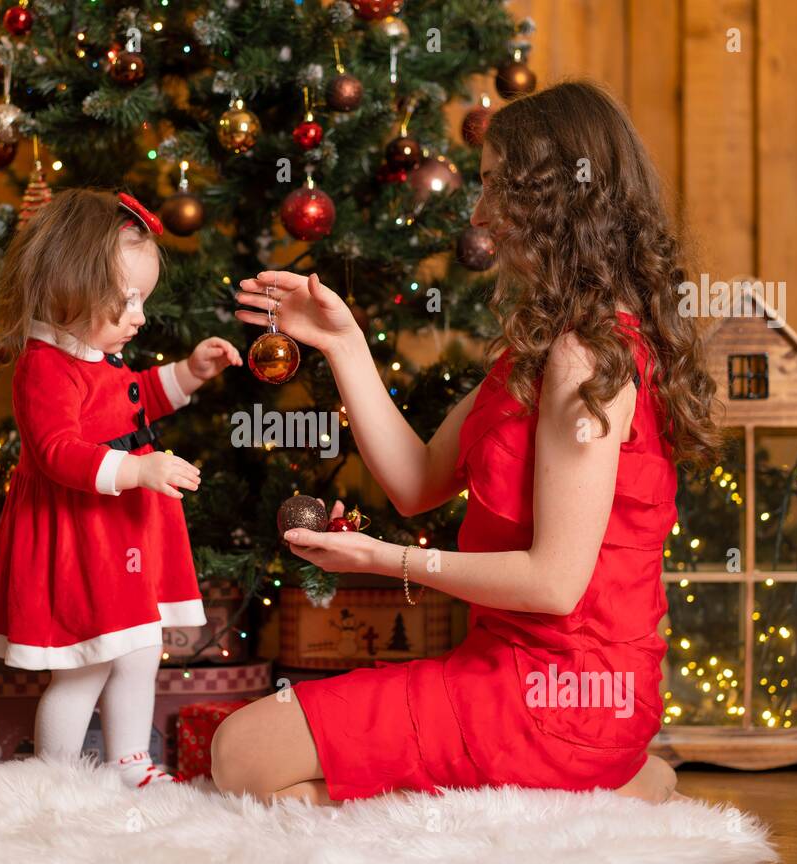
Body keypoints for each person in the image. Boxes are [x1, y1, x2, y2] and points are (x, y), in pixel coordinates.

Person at [213, 81, 721, 805]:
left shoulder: (587, 355)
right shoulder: (542, 351)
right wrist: (343, 343)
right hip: (530, 677)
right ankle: (614, 785)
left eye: (492, 187)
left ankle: (552, 788)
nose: (478, 216)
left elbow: (555, 584)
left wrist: (383, 561)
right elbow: (416, 483)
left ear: (552, 200)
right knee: (258, 756)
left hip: (561, 698)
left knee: (240, 755)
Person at [0, 188, 241, 787]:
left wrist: (190, 373)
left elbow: (135, 397)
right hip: (78, 539)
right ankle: (55, 780)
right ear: (68, 288)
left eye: (142, 299)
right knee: (83, 667)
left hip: (120, 537)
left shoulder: (96, 355)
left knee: (140, 651)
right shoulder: (44, 365)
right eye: (126, 300)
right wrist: (139, 471)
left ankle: (129, 764)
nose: (140, 316)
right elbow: (56, 452)